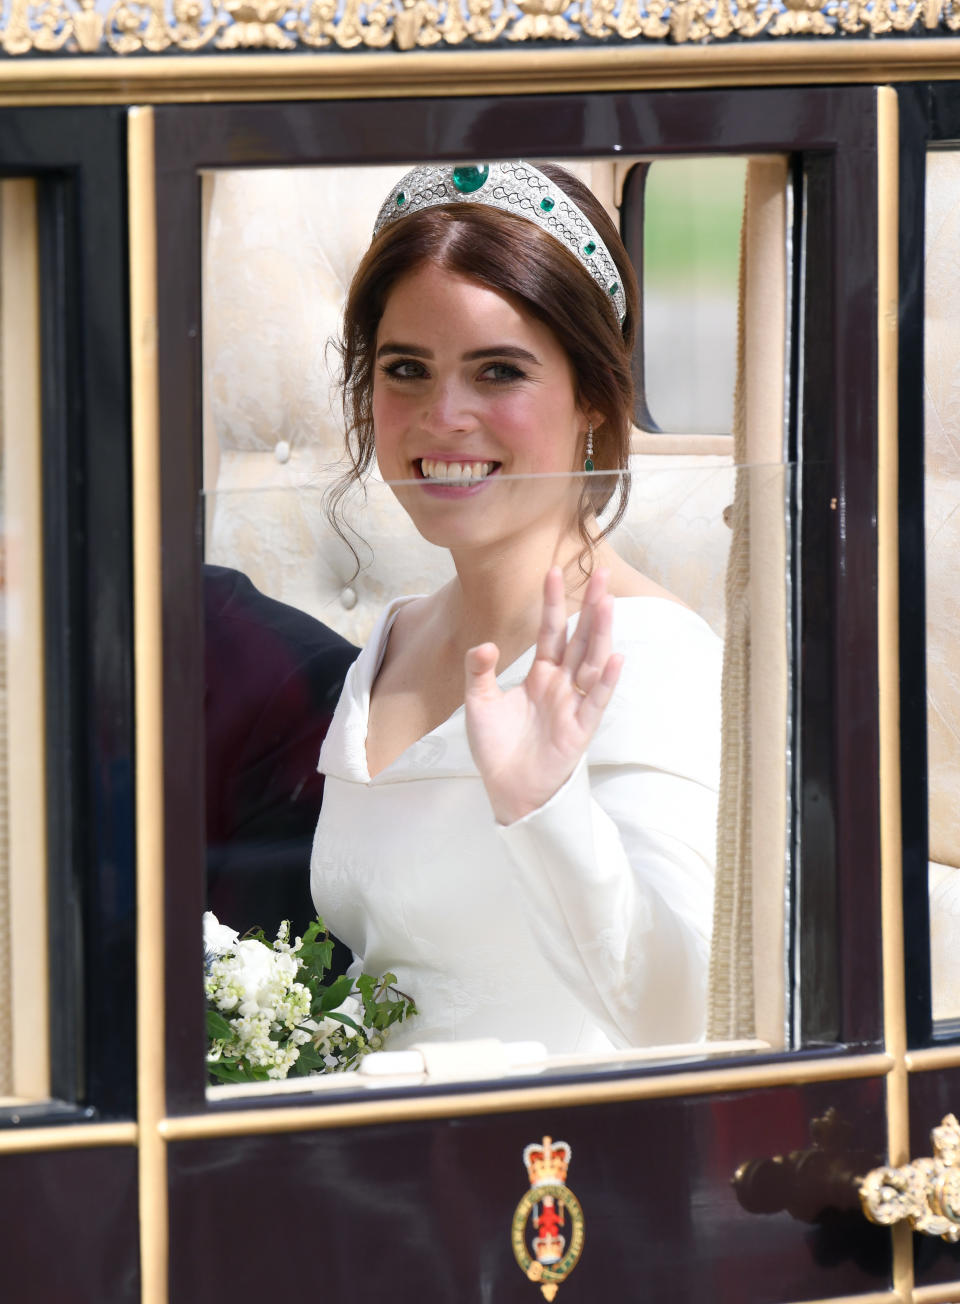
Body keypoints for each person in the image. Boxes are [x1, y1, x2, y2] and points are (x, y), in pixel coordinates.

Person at [310, 161, 722, 1055]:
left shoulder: (652, 660)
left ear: (592, 398)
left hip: (555, 1172)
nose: (443, 416)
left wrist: (547, 809)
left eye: (498, 372)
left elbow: (684, 1014)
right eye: (406, 369)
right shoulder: (392, 640)